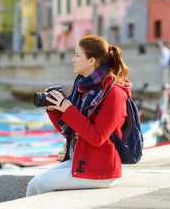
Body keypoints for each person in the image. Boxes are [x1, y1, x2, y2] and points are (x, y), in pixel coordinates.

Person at [26, 35, 133, 196]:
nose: (72, 60)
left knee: (43, 183)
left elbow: (97, 137)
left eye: (77, 55)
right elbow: (69, 131)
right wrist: (54, 109)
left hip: (102, 168)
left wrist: (67, 109)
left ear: (92, 61)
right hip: (83, 159)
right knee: (33, 184)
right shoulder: (81, 88)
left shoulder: (114, 93)